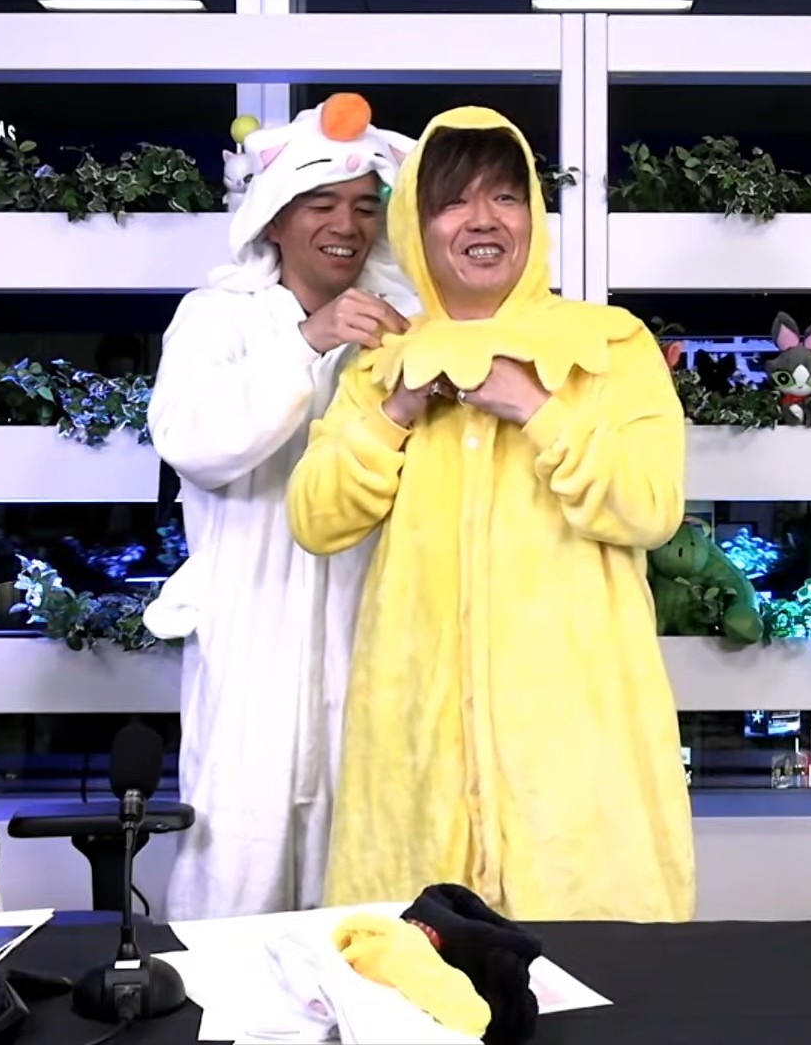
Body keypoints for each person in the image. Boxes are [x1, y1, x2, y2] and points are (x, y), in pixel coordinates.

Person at [286, 107, 696, 922]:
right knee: (417, 973)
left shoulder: (610, 346)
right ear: (418, 227)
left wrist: (536, 407)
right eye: (453, 202)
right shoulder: (383, 363)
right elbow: (317, 518)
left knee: (593, 969)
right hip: (416, 748)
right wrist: (398, 410)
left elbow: (650, 508)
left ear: (532, 216)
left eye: (505, 197)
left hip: (575, 747)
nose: (482, 220)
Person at [143, 93, 420, 922]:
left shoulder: (402, 323)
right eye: (321, 203)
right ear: (275, 215)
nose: (346, 225)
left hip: (366, 633)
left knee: (364, 867)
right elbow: (192, 441)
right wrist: (308, 342)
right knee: (237, 855)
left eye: (365, 206)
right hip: (251, 635)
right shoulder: (215, 318)